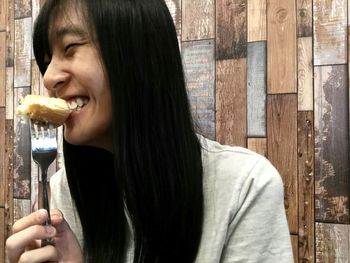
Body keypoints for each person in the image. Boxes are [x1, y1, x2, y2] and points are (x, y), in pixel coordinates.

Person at [6, 0, 294, 262]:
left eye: (70, 48)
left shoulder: (244, 186)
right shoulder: (63, 191)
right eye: (46, 62)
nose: (49, 78)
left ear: (137, 53)